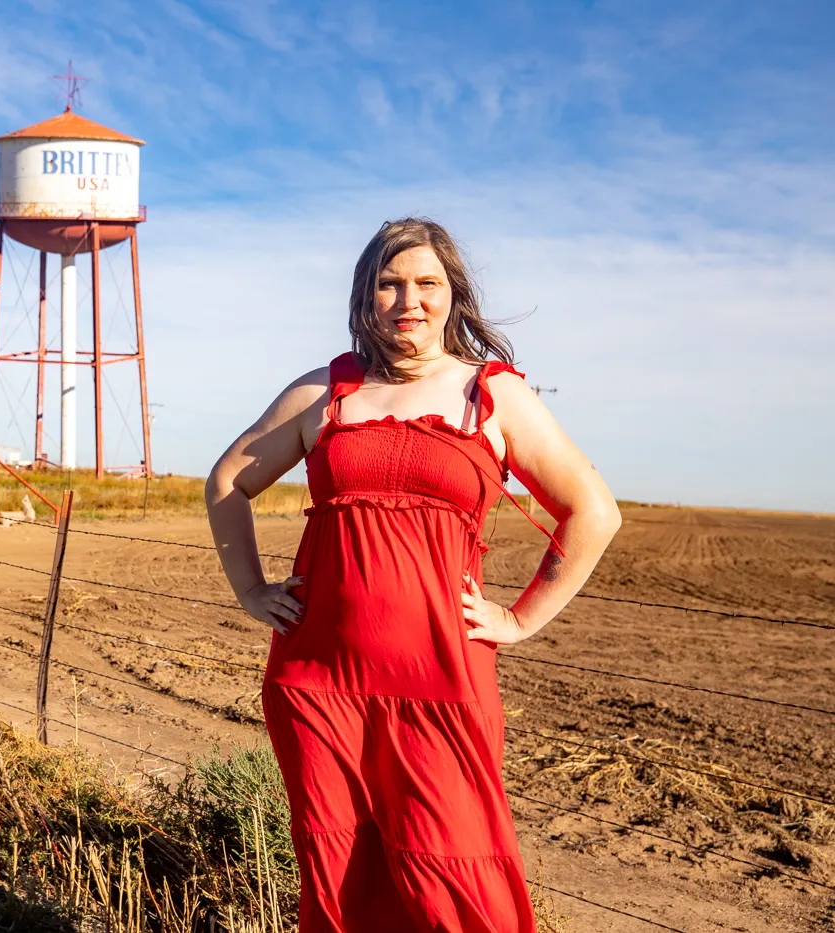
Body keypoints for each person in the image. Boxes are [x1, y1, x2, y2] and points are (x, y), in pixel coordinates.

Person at [204, 217, 622, 933]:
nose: (409, 300)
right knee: (343, 879)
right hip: (319, 684)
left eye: (427, 283)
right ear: (365, 297)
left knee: (460, 885)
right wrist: (250, 589)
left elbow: (593, 511)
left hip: (444, 687)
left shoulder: (493, 395)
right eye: (389, 284)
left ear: (452, 294)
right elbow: (227, 481)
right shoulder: (321, 393)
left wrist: (520, 618)